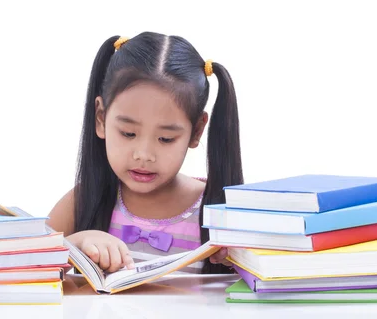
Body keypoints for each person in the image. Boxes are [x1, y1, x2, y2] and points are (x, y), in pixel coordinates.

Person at [47, 32, 243, 274]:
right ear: (101, 118)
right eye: (128, 133)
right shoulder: (83, 202)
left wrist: (247, 259)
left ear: (196, 131)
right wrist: (73, 245)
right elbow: (25, 266)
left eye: (165, 139)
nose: (144, 154)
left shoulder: (218, 212)